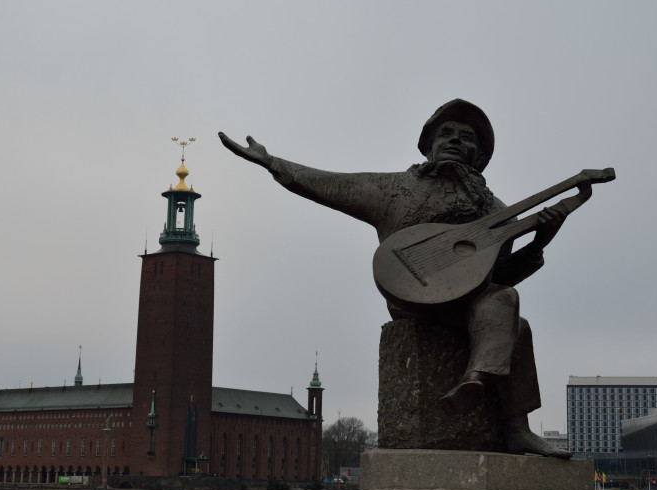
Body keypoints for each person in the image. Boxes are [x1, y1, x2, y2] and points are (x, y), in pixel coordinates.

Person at [219, 99, 570, 457]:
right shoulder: (395, 189)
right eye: (444, 133)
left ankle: (503, 415)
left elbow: (497, 276)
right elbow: (329, 185)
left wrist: (540, 241)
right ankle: (489, 398)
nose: (453, 140)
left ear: (479, 156)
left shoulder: (497, 211)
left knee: (512, 315)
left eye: (466, 137)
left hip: (467, 303)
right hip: (410, 298)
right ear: (429, 145)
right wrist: (272, 162)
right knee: (509, 315)